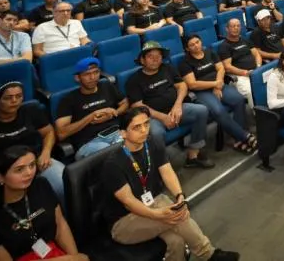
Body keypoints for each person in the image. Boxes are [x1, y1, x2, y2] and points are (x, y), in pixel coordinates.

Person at [102, 107, 239, 260]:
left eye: (146, 124)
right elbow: (128, 201)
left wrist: (180, 196)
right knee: (179, 217)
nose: (144, 130)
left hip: (153, 201)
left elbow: (167, 171)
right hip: (123, 222)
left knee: (176, 241)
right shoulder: (113, 164)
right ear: (123, 133)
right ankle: (209, 255)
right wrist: (157, 214)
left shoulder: (151, 143)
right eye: (136, 127)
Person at [0, 145, 88, 261]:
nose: (29, 173)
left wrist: (75, 255)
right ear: (0, 178)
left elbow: (60, 225)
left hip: (54, 253)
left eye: (32, 165)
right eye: (19, 169)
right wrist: (70, 260)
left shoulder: (41, 185)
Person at [124, 41, 214, 169]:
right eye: (150, 56)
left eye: (158, 55)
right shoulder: (133, 80)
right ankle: (162, 167)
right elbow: (138, 106)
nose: (155, 59)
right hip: (152, 117)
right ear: (142, 60)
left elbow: (182, 85)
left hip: (175, 109)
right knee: (155, 133)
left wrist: (177, 106)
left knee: (201, 110)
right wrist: (163, 117)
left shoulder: (167, 68)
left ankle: (193, 155)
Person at [0, 82, 66, 203]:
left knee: (64, 185)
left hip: (37, 162)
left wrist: (46, 152)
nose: (15, 101)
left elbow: (49, 132)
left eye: (18, 96)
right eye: (8, 98)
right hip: (5, 173)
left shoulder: (31, 111)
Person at [179, 35, 257, 154]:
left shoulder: (210, 52)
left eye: (197, 42)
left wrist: (218, 84)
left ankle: (237, 138)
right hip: (202, 92)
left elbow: (221, 69)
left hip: (218, 85)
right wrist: (214, 84)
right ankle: (244, 136)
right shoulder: (184, 62)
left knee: (239, 100)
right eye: (192, 45)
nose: (196, 46)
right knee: (218, 111)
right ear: (187, 49)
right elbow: (192, 84)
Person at [54, 57, 128, 159]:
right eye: (87, 74)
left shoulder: (106, 86)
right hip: (90, 143)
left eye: (96, 72)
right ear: (77, 78)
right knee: (114, 153)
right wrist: (91, 116)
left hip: (116, 133)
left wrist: (114, 113)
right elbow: (61, 133)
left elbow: (125, 103)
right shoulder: (68, 100)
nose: (93, 77)